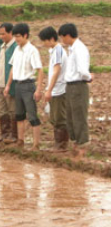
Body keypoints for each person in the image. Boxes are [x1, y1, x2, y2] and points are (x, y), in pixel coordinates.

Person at [4, 23, 44, 150]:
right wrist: (8, 85)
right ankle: (20, 141)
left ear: (25, 35)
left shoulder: (32, 50)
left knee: (32, 116)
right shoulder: (17, 49)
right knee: (19, 115)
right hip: (18, 85)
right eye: (15, 36)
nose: (16, 39)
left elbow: (40, 70)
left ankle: (36, 144)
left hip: (28, 85)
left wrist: (38, 89)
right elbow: (13, 68)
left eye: (19, 36)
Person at [58, 23, 93, 159]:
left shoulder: (80, 49)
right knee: (71, 116)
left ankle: (82, 145)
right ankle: (75, 142)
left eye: (62, 38)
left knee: (79, 116)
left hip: (78, 85)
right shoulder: (72, 49)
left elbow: (83, 70)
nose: (62, 41)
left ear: (67, 36)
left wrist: (89, 78)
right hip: (71, 85)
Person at [39, 26, 69, 152]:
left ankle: (61, 145)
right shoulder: (55, 50)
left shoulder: (58, 51)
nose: (43, 44)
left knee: (59, 118)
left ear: (51, 39)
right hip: (56, 89)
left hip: (59, 89)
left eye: (44, 41)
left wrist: (49, 90)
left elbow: (56, 71)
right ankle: (58, 144)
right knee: (55, 117)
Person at [0, 22, 18, 143]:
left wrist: (9, 84)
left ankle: (14, 135)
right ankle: (5, 134)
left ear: (11, 33)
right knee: (2, 110)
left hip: (11, 85)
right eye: (0, 34)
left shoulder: (15, 47)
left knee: (12, 110)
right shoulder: (2, 46)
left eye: (3, 34)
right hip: (1, 83)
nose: (1, 36)